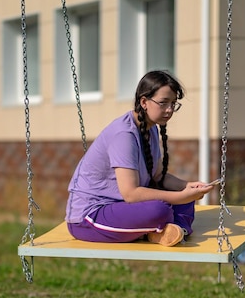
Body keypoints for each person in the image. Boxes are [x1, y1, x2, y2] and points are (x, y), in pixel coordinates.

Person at [66, 70, 215, 247]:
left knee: (183, 201)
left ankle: (170, 232)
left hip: (121, 207)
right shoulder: (124, 134)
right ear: (144, 102)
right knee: (160, 209)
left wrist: (187, 187)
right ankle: (165, 229)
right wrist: (179, 197)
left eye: (173, 104)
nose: (169, 110)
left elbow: (158, 177)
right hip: (89, 218)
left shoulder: (150, 127)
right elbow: (131, 194)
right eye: (163, 103)